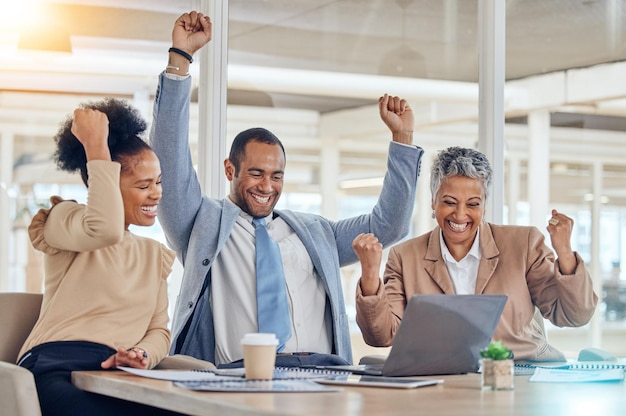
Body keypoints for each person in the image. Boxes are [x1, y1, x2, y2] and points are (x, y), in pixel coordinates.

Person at [150, 11, 424, 367]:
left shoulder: (316, 232)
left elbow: (389, 226)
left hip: (321, 376)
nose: (267, 186)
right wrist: (179, 61)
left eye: (277, 176)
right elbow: (169, 165)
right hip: (238, 380)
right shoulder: (202, 224)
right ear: (229, 169)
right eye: (257, 173)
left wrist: (402, 140)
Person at [353, 146, 598, 362]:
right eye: (449, 202)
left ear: (484, 204)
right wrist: (370, 274)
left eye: (472, 204)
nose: (460, 215)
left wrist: (564, 252)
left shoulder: (524, 244)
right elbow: (382, 336)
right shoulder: (404, 257)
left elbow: (575, 315)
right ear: (433, 201)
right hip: (441, 378)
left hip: (518, 370)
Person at [17, 98, 178, 416]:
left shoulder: (153, 255)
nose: (156, 193)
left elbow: (159, 329)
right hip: (55, 366)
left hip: (115, 376)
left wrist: (141, 354)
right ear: (102, 181)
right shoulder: (66, 218)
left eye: (158, 182)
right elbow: (105, 229)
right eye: (143, 185)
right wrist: (95, 147)